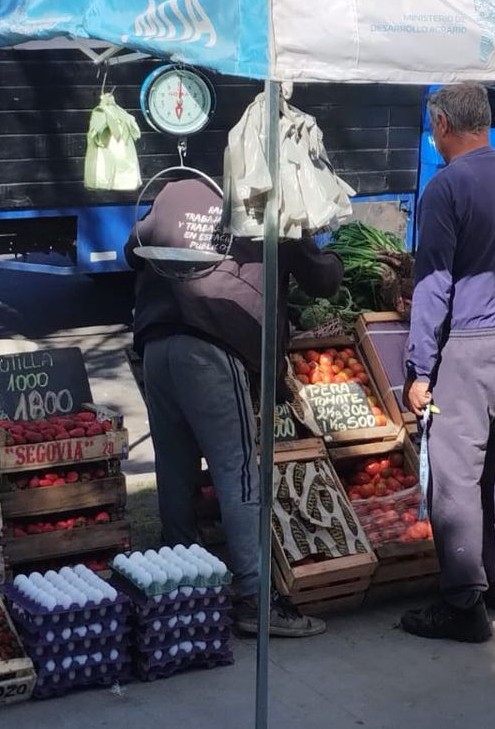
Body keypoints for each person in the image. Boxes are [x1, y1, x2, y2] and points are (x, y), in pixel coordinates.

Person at [125, 176, 342, 638]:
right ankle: (254, 598)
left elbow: (132, 251)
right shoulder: (274, 207)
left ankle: (180, 588)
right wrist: (328, 253)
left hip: (157, 345)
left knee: (175, 468)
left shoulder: (176, 193)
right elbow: (324, 280)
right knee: (238, 472)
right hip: (213, 348)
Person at [401, 82, 495, 643]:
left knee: (456, 480)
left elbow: (434, 285)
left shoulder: (446, 188)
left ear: (441, 124)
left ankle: (463, 605)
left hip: (469, 348)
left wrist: (419, 368)